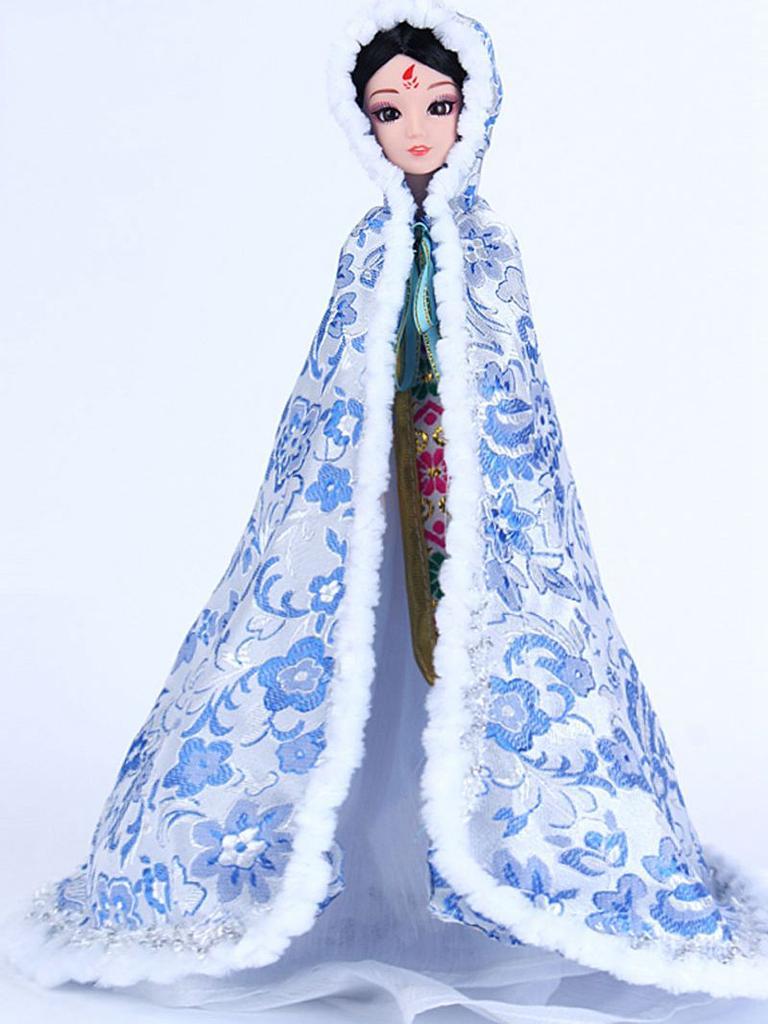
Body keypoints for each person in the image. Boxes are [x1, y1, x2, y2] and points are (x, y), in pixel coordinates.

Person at [1, 0, 767, 1014]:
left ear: (473, 112)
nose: (415, 131)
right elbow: (329, 390)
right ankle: (344, 875)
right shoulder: (367, 248)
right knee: (340, 656)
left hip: (473, 499)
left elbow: (518, 403)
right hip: (366, 491)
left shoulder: (489, 252)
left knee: (476, 666)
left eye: (437, 106)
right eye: (388, 112)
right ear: (362, 124)